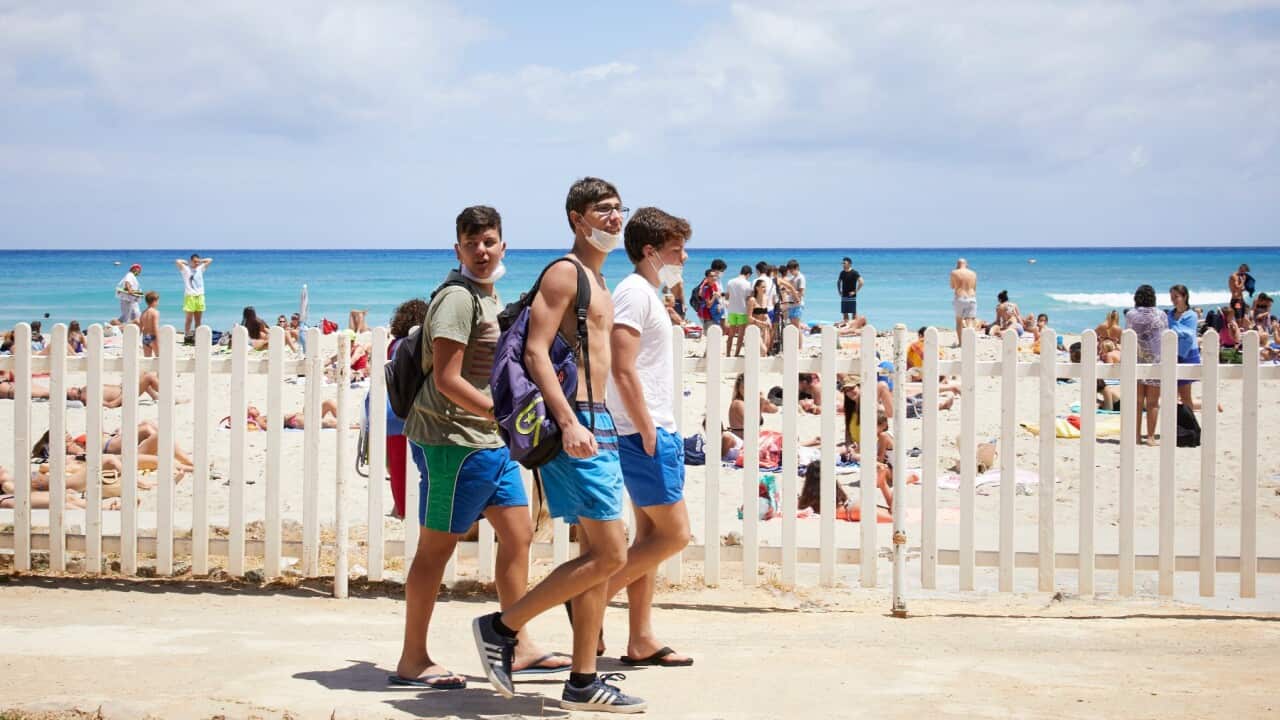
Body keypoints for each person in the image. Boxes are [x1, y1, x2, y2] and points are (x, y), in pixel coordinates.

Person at [471, 178, 645, 712]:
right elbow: (536, 354)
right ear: (576, 217)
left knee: (597, 555)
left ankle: (583, 680)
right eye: (603, 210)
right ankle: (502, 627)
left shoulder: (599, 279)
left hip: (601, 426)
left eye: (620, 209)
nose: (615, 218)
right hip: (576, 425)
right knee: (612, 552)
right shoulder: (566, 273)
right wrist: (568, 422)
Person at [394, 206, 568, 690]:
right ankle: (413, 658)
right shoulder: (456, 299)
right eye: (472, 243)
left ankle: (521, 642)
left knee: (518, 535)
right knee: (436, 551)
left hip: (491, 443)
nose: (482, 251)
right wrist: (502, 413)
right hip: (451, 441)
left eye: (489, 241)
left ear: (503, 245)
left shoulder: (489, 298)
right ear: (458, 249)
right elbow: (448, 379)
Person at [602, 205, 694, 670]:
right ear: (650, 250)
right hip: (646, 430)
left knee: (648, 539)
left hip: (652, 427)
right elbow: (621, 367)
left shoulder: (648, 293)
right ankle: (589, 599)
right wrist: (646, 428)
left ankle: (640, 638)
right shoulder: (634, 293)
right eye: (677, 249)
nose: (683, 258)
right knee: (676, 535)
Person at [380, 297, 429, 519]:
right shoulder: (413, 344)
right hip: (410, 413)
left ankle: (401, 508)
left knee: (396, 467)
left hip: (390, 412)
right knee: (417, 467)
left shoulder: (393, 344)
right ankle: (408, 510)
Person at [1126, 284, 1167, 446]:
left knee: (1136, 402)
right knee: (1153, 402)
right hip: (1156, 361)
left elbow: (1128, 335)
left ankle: (1135, 435)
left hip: (1137, 360)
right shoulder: (1161, 315)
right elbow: (1165, 336)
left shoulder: (1131, 315)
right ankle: (1150, 437)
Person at [1167, 285, 1202, 411]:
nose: (1173, 300)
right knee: (1171, 395)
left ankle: (1190, 427)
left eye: (1176, 297)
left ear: (1184, 296)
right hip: (1172, 355)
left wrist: (1172, 330)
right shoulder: (1170, 314)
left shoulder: (1191, 315)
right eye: (1171, 297)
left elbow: (1187, 334)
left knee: (1185, 395)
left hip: (1187, 355)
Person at [65, 372, 161, 408]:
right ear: (73, 398)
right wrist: (116, 401)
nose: (71, 388)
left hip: (122, 389)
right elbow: (110, 404)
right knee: (148, 377)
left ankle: (155, 396)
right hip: (124, 396)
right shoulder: (85, 397)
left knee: (141, 373)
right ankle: (167, 394)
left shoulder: (84, 390)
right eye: (69, 391)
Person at [175, 254, 212, 338]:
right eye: (195, 261)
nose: (196, 263)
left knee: (198, 320)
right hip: (190, 296)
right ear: (191, 261)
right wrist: (187, 262)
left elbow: (210, 259)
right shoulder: (186, 269)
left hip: (200, 296)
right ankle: (187, 335)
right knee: (189, 319)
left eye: (197, 262)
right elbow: (177, 261)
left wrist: (200, 261)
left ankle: (197, 336)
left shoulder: (200, 268)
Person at [724, 265, 753, 356]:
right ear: (748, 274)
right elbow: (749, 298)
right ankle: (736, 354)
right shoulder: (748, 284)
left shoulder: (730, 281)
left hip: (731, 310)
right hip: (742, 311)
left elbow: (727, 296)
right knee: (740, 335)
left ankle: (728, 353)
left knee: (731, 334)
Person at [950, 258, 977, 345]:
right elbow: (974, 288)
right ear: (967, 264)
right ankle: (969, 343)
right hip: (971, 298)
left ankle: (961, 343)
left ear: (957, 264)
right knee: (970, 322)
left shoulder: (954, 272)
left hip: (960, 297)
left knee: (959, 321)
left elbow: (952, 286)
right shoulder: (973, 273)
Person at [746, 279, 772, 354]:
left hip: (764, 328)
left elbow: (765, 313)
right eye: (763, 287)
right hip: (754, 328)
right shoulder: (752, 300)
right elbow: (749, 318)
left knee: (764, 352)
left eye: (765, 287)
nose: (765, 289)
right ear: (757, 288)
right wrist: (760, 322)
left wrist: (768, 320)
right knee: (763, 350)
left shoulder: (766, 298)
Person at [837, 257, 863, 322]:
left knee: (853, 313)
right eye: (842, 263)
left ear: (849, 264)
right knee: (845, 313)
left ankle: (854, 326)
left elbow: (861, 282)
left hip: (852, 296)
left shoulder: (854, 272)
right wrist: (839, 291)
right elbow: (838, 282)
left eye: (844, 263)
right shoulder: (842, 273)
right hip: (844, 295)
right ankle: (847, 326)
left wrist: (855, 291)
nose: (843, 265)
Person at [139, 291, 161, 358]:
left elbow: (140, 327)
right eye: (158, 301)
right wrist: (158, 339)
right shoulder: (155, 312)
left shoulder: (143, 313)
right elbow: (155, 327)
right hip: (153, 337)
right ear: (154, 301)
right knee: (159, 356)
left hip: (145, 337)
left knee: (147, 358)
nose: (158, 303)